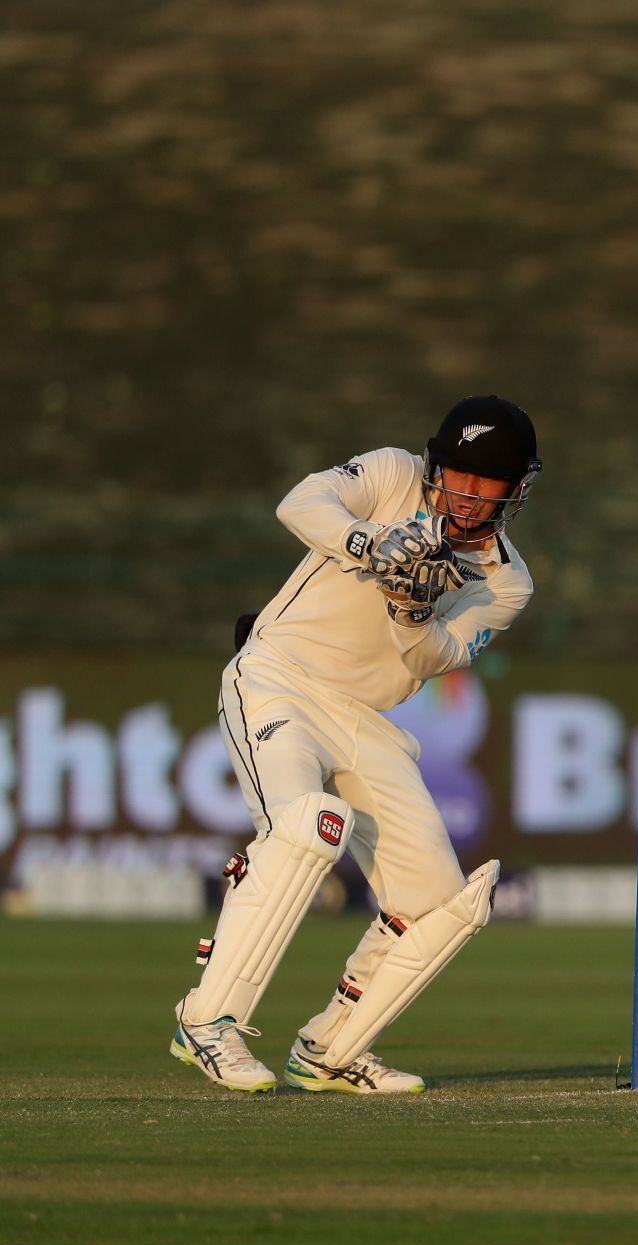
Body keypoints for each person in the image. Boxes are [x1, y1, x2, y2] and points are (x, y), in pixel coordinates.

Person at [170, 395, 540, 1093]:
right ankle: (207, 1020)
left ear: (515, 489)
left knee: (438, 900)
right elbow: (299, 503)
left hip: (365, 716)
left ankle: (329, 1050)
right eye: (458, 474)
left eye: (487, 482)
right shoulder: (392, 474)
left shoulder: (505, 580)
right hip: (278, 676)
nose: (467, 495)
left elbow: (431, 659)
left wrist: (408, 606)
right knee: (307, 825)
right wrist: (371, 544)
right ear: (436, 465)